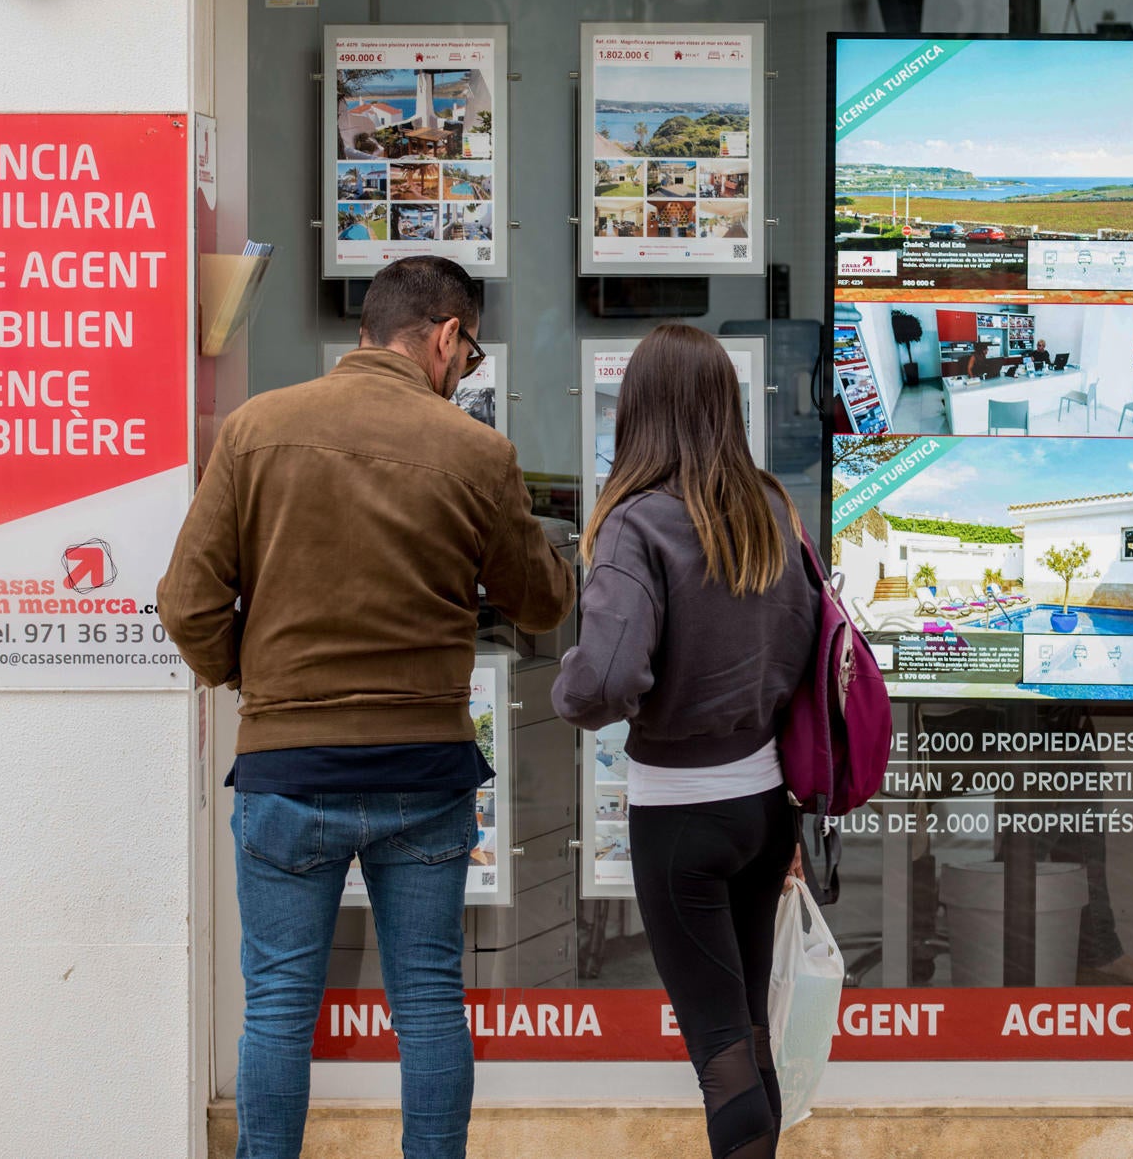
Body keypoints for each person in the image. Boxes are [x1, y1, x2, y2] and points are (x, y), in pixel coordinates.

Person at [158, 255, 575, 1159]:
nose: (465, 373)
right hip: (423, 771)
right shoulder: (476, 452)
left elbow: (186, 603)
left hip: (286, 768)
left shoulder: (256, 428)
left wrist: (260, 688)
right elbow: (541, 603)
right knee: (427, 996)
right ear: (442, 337)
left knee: (275, 1004)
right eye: (468, 355)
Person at [552, 323, 817, 1159]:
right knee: (748, 1032)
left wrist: (565, 683)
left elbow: (599, 683)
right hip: (764, 809)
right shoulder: (773, 508)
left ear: (638, 410)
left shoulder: (638, 524)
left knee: (720, 1050)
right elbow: (806, 645)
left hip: (681, 819)